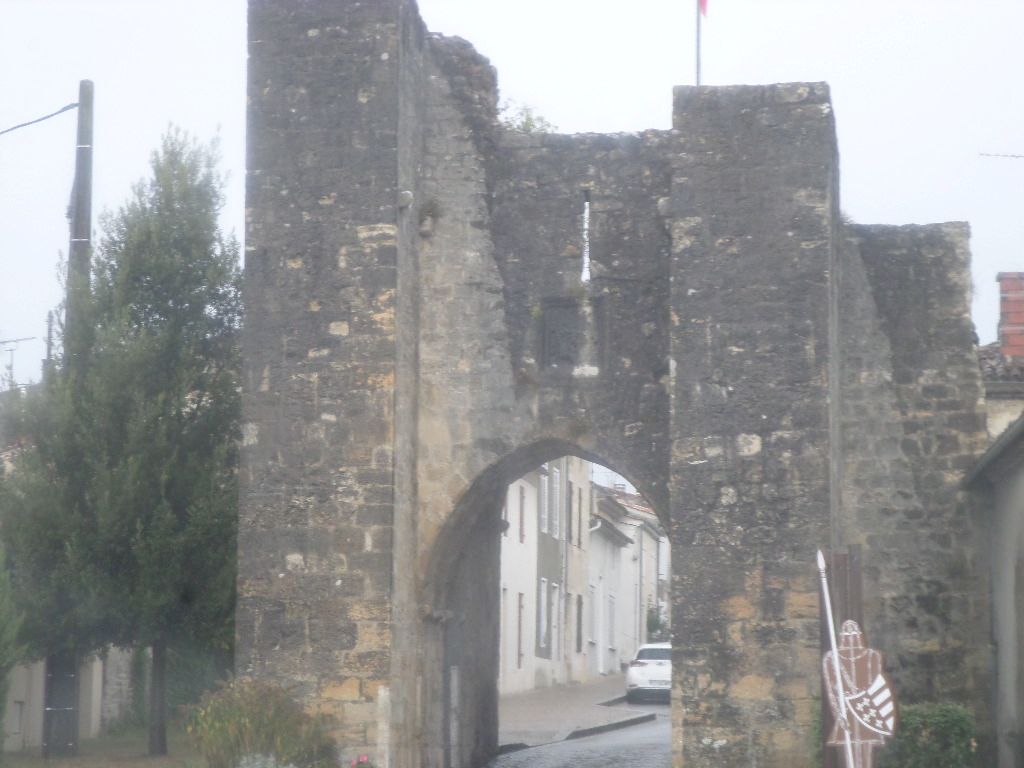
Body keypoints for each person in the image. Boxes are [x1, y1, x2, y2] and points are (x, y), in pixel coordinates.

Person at [823, 620, 895, 768]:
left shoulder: (872, 656)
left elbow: (876, 684)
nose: (850, 636)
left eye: (853, 633)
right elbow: (832, 689)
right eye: (847, 633)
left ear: (859, 635)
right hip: (846, 708)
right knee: (848, 751)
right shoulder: (831, 658)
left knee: (866, 749)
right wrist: (838, 713)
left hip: (865, 707)